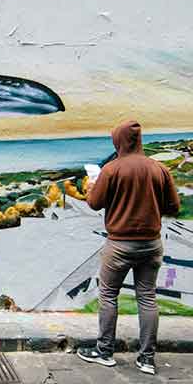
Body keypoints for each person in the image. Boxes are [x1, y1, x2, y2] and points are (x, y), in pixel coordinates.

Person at [77, 120, 180, 375]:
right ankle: (146, 359)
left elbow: (94, 204)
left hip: (120, 245)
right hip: (152, 244)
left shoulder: (111, 170)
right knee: (147, 297)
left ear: (119, 141)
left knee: (109, 294)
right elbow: (174, 207)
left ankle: (105, 352)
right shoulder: (159, 169)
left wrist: (91, 187)